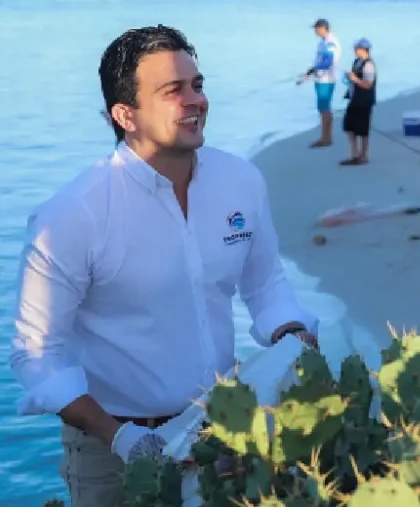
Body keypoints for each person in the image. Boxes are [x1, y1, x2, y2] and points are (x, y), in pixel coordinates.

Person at [10, 25, 319, 506]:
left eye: (197, 85)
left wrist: (291, 334)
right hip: (108, 451)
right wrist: (119, 438)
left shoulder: (241, 181)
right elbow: (35, 355)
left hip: (224, 430)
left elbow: (266, 285)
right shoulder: (73, 214)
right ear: (125, 114)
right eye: (173, 91)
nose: (195, 100)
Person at [296, 18, 340, 147]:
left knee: (324, 109)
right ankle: (326, 136)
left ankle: (326, 138)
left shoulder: (330, 42)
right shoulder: (323, 42)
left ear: (322, 28)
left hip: (326, 80)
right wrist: (312, 71)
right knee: (324, 108)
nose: (315, 31)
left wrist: (315, 69)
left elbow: (328, 61)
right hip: (321, 78)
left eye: (316, 28)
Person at [340, 38, 377, 166]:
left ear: (363, 50)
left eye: (357, 49)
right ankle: (355, 153)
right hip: (354, 98)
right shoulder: (357, 62)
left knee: (363, 129)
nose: (355, 51)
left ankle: (363, 155)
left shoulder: (369, 65)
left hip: (364, 101)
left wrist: (355, 79)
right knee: (349, 126)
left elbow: (368, 85)